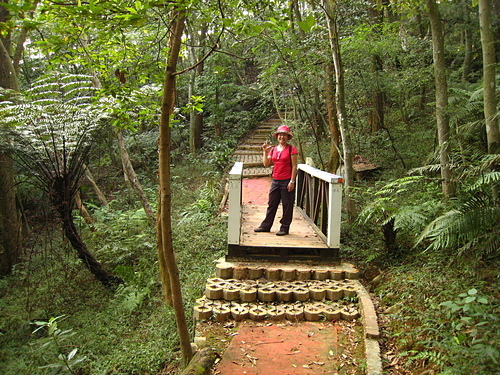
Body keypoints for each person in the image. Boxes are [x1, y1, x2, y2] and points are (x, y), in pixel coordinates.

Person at [254, 124, 298, 236]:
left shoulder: (291, 150)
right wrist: (265, 151)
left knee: (287, 205)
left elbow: (294, 166)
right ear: (277, 136)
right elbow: (266, 164)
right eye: (280, 135)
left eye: (284, 135)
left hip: (286, 180)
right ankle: (266, 226)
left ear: (288, 137)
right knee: (272, 204)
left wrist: (292, 181)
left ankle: (284, 228)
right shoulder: (273, 150)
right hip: (275, 180)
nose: (281, 137)